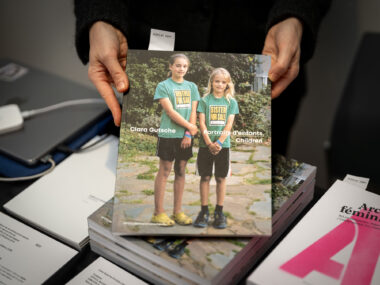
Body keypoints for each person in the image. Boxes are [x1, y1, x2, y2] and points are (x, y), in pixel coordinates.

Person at [74, 0, 331, 155]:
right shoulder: (164, 88)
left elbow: (222, 122)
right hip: (142, 54)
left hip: (267, 63)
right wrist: (100, 14)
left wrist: (295, 13)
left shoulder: (229, 101)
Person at [151, 54, 200, 226]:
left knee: (181, 170)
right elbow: (170, 112)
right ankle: (158, 213)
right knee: (165, 171)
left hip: (185, 135)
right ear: (170, 67)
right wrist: (191, 127)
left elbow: (193, 111)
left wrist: (188, 133)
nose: (181, 69)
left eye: (184, 66)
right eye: (178, 65)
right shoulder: (163, 86)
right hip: (168, 135)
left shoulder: (192, 86)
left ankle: (177, 212)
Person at [194, 68, 239, 229]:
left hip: (223, 146)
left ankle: (219, 212)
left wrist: (219, 143)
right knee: (205, 177)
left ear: (227, 84)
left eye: (223, 82)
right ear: (211, 82)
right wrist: (208, 143)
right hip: (205, 146)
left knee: (221, 178)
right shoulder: (205, 100)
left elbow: (229, 125)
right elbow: (202, 123)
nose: (220, 84)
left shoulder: (231, 102)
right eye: (217, 81)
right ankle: (204, 211)